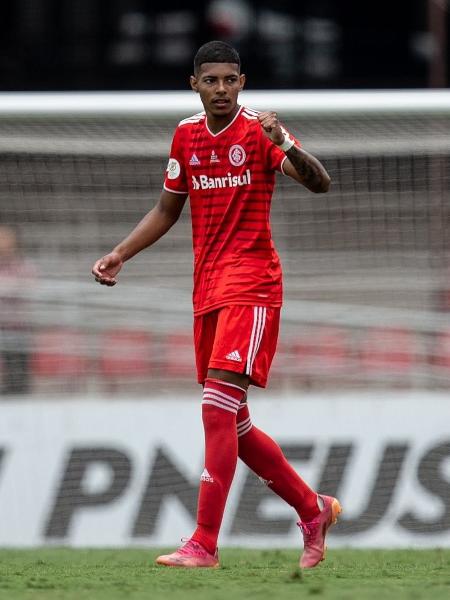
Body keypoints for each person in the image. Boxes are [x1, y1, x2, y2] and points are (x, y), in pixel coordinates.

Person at [92, 40, 341, 569]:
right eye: (212, 81)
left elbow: (320, 183)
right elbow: (167, 208)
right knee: (236, 421)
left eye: (230, 80)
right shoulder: (185, 134)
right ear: (195, 84)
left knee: (215, 408)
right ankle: (311, 507)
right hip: (207, 291)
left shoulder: (260, 131)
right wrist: (120, 254)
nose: (222, 89)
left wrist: (288, 145)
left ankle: (203, 542)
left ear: (242, 82)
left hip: (253, 287)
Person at [0, 225, 35, 395]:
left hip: (17, 328)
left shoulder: (23, 266)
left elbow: (30, 287)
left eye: (5, 237)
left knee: (18, 375)